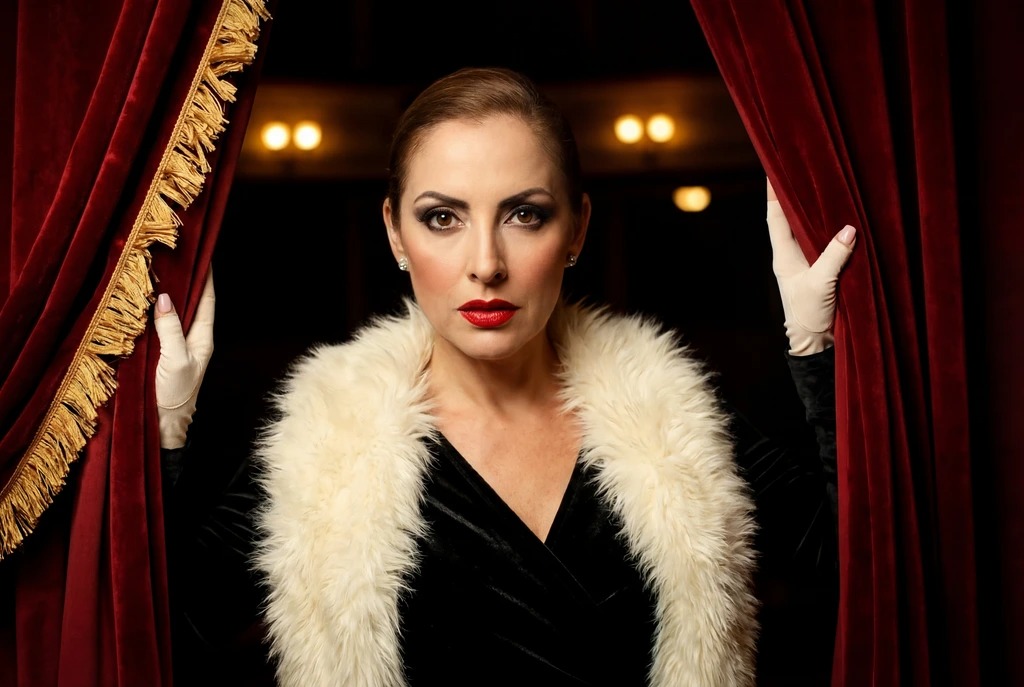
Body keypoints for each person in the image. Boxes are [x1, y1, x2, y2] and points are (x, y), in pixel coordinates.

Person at [154, 66, 855, 686]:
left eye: (525, 214)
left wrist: (822, 349)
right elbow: (161, 631)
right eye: (442, 218)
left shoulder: (676, 419)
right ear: (396, 233)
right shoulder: (322, 444)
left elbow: (864, 573)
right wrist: (160, 437)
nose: (486, 263)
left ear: (576, 228)